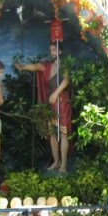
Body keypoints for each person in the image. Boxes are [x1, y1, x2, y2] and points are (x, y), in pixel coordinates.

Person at [14, 44, 72, 172]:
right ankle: (56, 161)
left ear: (60, 51)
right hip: (51, 103)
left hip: (62, 102)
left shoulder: (65, 65)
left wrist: (56, 94)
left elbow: (66, 80)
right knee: (52, 133)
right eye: (50, 50)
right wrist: (23, 67)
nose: (52, 52)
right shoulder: (48, 66)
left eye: (54, 49)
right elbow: (36, 67)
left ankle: (63, 165)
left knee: (63, 133)